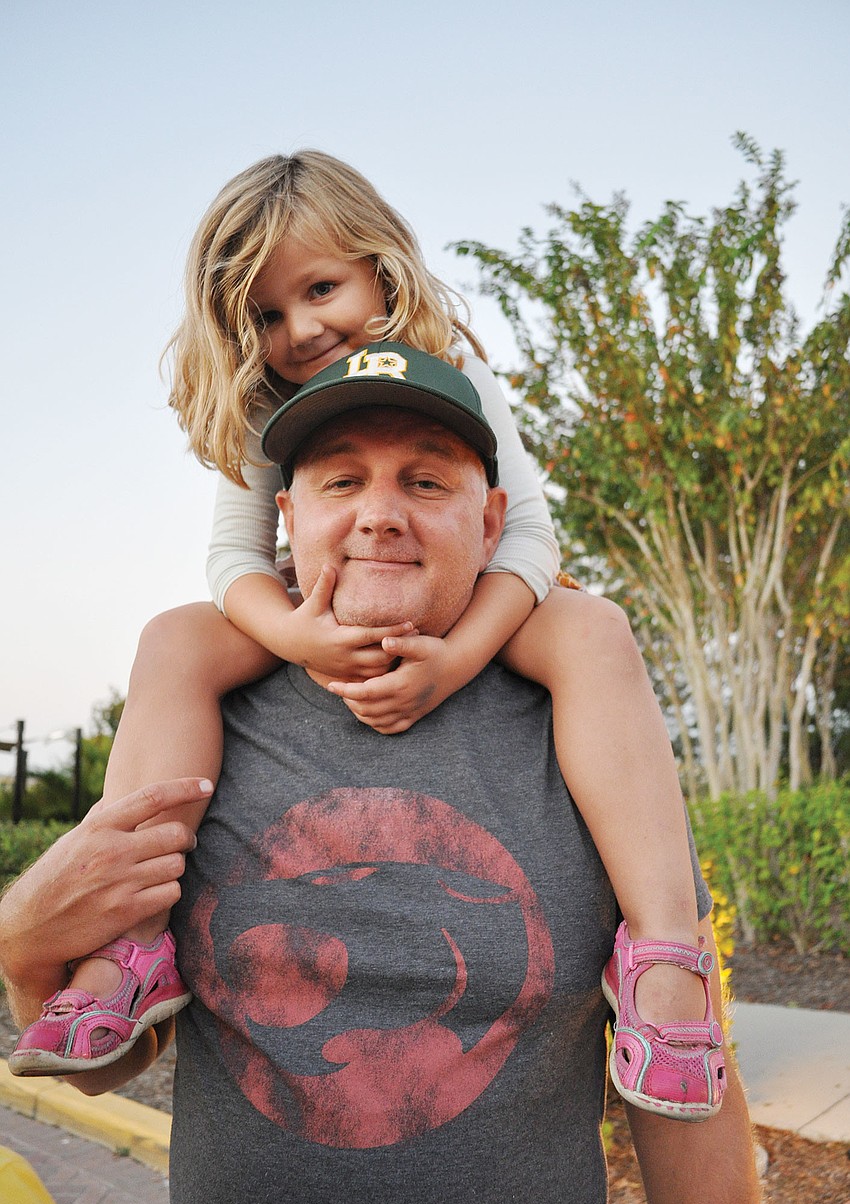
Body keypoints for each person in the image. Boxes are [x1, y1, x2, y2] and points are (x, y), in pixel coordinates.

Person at [0, 350, 766, 1204]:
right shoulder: (195, 718)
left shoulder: (591, 730)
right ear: (287, 519)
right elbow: (99, 1062)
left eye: (425, 478)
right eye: (342, 479)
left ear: (491, 523)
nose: (379, 513)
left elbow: (685, 1083)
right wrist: (21, 944)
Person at [11, 153, 717, 1120]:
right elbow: (234, 563)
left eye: (321, 289)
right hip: (315, 607)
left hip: (485, 595)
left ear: (383, 270)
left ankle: (666, 951)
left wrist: (459, 656)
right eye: (265, 314)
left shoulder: (460, 371)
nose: (299, 329)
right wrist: (300, 638)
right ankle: (127, 943)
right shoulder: (267, 403)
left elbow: (531, 534)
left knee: (591, 626)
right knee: (176, 638)